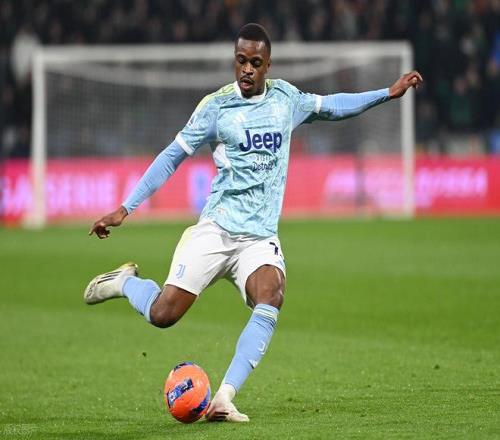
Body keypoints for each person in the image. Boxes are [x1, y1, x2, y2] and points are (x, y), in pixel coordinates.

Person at [84, 23, 422, 422]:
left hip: (259, 238)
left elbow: (332, 106)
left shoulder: (286, 99)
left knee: (272, 294)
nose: (246, 69)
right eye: (241, 61)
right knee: (163, 315)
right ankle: (125, 282)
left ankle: (224, 397)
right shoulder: (216, 107)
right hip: (216, 230)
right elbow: (172, 156)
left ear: (268, 65)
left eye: (255, 62)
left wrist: (387, 93)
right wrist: (126, 208)